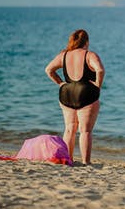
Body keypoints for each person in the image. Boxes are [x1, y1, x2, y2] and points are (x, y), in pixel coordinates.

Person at [45, 29, 105, 165]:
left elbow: (48, 70)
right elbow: (100, 70)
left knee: (69, 128)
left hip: (67, 93)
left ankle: (68, 160)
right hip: (86, 92)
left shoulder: (63, 55)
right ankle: (86, 162)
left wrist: (61, 83)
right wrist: (97, 85)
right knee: (85, 131)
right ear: (87, 42)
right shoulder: (89, 55)